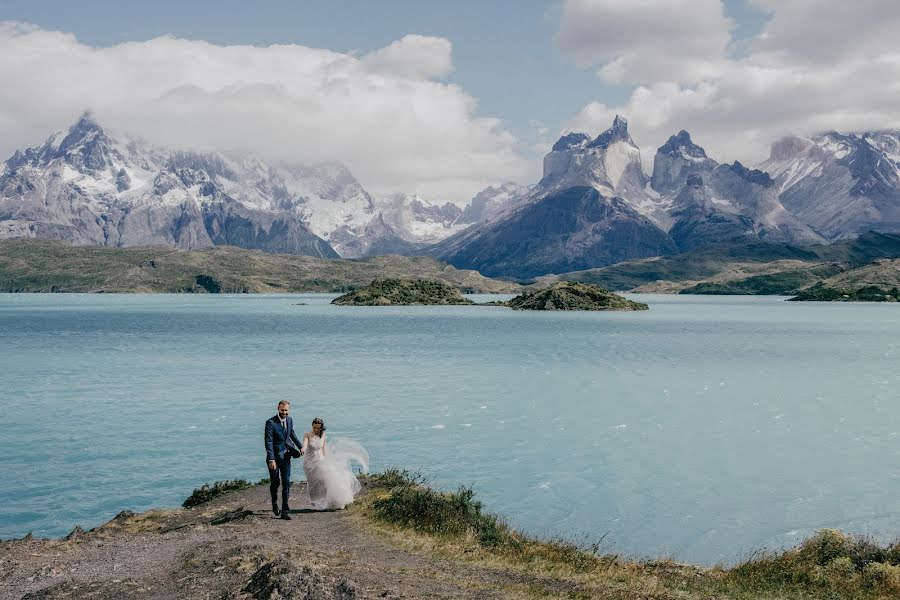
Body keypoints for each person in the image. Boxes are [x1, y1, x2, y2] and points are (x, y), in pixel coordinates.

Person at [302, 417, 369, 510]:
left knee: (323, 482)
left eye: (318, 428)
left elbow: (324, 449)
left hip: (320, 461)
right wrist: (302, 449)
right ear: (312, 426)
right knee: (312, 483)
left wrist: (329, 460)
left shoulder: (323, 435)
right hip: (309, 463)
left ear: (321, 428)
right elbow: (304, 445)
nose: (316, 430)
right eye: (314, 428)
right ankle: (315, 503)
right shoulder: (307, 435)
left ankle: (324, 501)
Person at [264, 400, 303, 520]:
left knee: (286, 483)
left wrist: (300, 446)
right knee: (275, 483)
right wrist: (271, 459)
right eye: (282, 410)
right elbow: (268, 442)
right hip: (274, 458)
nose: (284, 412)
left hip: (286, 456)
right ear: (278, 409)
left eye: (286, 410)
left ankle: (285, 511)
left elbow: (292, 433)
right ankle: (274, 503)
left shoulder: (290, 420)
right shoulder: (270, 422)